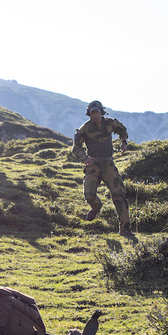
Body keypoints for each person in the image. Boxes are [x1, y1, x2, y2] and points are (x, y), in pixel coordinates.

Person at [72, 100, 134, 237]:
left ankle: (125, 228)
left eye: (97, 112)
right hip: (93, 165)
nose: (95, 115)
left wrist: (123, 142)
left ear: (101, 112)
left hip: (108, 164)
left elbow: (122, 129)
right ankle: (96, 207)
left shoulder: (110, 123)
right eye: (92, 113)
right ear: (89, 114)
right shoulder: (84, 128)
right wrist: (85, 158)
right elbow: (76, 148)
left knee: (119, 194)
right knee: (89, 195)